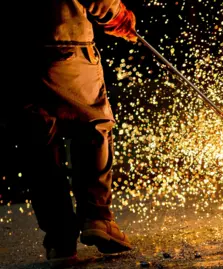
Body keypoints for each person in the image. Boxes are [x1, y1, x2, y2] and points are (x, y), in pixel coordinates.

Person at [2, 0, 138, 267]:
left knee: (37, 145)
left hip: (13, 54)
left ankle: (59, 239)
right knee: (93, 124)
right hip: (64, 40)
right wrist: (115, 13)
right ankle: (97, 217)